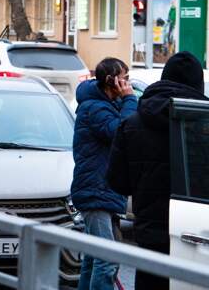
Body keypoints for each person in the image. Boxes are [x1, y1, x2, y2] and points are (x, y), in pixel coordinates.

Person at [105, 51, 209, 290]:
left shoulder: (132, 125)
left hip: (151, 239)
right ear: (198, 84)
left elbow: (117, 182)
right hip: (201, 237)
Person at [71, 57, 137, 290]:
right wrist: (130, 99)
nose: (128, 83)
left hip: (102, 189)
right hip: (95, 191)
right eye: (125, 78)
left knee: (93, 258)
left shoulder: (107, 104)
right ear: (111, 81)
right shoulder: (94, 108)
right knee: (107, 259)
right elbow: (121, 132)